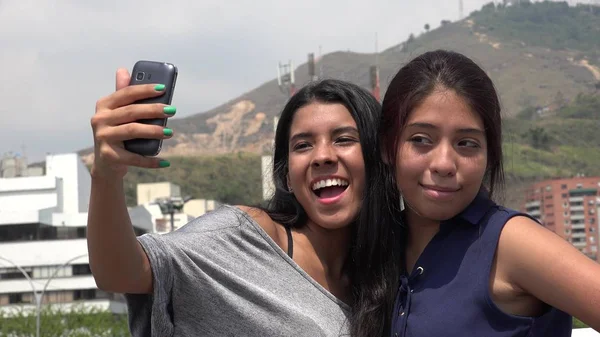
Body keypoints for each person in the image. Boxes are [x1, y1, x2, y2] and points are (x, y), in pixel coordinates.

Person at [87, 71, 394, 336]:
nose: (323, 156)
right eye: (303, 145)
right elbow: (121, 272)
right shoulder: (247, 238)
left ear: (376, 160)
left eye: (343, 139)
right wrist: (106, 175)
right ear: (287, 177)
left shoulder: (394, 271)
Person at [376, 50, 600, 336]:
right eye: (421, 139)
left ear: (490, 155)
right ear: (387, 147)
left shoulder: (511, 243)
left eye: (466, 143)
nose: (444, 163)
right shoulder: (379, 246)